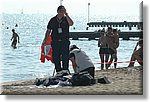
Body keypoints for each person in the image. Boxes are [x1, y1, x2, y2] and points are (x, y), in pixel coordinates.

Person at [42, 5, 74, 74]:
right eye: (61, 11)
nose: (62, 12)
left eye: (63, 11)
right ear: (58, 11)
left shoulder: (66, 19)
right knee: (56, 57)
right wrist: (45, 40)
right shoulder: (53, 20)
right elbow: (48, 31)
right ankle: (58, 71)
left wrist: (67, 15)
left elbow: (71, 24)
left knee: (65, 56)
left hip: (64, 41)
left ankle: (65, 70)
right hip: (55, 41)